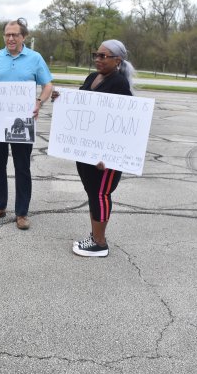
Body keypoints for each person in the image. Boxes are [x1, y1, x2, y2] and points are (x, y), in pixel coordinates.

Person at [53, 39, 135, 257]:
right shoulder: (92, 77)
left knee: (101, 193)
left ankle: (100, 243)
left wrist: (106, 154)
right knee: (92, 192)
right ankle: (94, 235)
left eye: (103, 56)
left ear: (117, 60)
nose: (98, 59)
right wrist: (61, 99)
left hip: (105, 157)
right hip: (87, 152)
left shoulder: (118, 83)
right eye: (96, 55)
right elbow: (80, 105)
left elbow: (123, 123)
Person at [0, 18, 53, 230]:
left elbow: (48, 85)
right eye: (7, 34)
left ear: (24, 37)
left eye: (15, 34)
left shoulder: (35, 58)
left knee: (22, 168)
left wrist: (39, 102)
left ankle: (22, 213)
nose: (10, 38)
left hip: (22, 122)